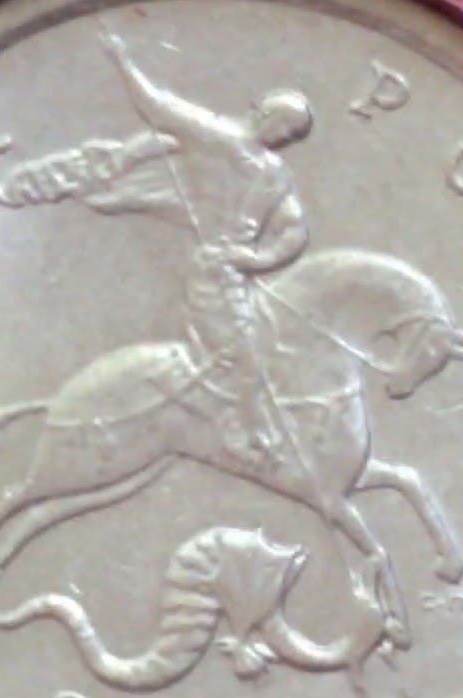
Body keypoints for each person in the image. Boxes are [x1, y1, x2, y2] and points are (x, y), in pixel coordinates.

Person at [101, 32, 314, 464]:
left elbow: (294, 229)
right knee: (243, 355)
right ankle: (246, 436)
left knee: (276, 344)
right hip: (211, 272)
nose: (286, 139)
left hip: (240, 272)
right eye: (285, 128)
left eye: (293, 136)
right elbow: (156, 106)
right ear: (267, 114)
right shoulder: (213, 135)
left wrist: (259, 259)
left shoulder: (274, 173)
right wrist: (123, 61)